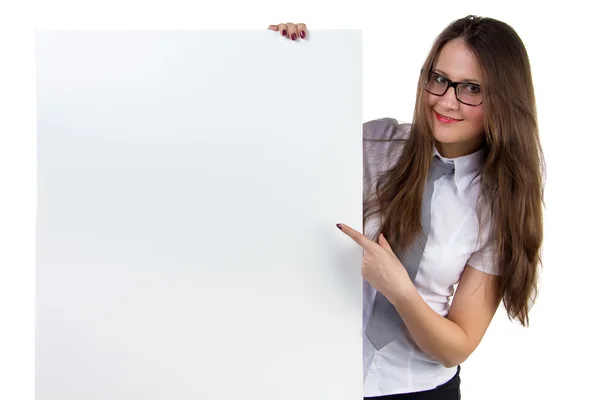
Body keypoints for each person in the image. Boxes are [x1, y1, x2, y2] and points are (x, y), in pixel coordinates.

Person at [269, 15, 545, 400]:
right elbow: (282, 149)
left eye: (471, 88)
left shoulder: (499, 202)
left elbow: (458, 345)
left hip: (417, 389)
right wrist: (284, 58)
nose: (446, 100)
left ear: (503, 99)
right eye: (439, 79)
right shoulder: (374, 144)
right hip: (319, 377)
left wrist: (400, 291)